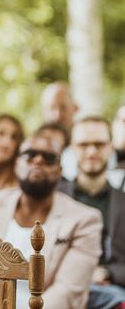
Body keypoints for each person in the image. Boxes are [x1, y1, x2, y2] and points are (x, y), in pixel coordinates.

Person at [0, 133, 102, 308]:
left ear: (60, 170)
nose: (38, 161)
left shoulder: (85, 220)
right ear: (17, 163)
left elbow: (67, 291)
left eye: (49, 158)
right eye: (30, 155)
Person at [59, 117, 125, 309]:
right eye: (83, 145)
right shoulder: (55, 197)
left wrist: (107, 272)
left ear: (111, 146)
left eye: (99, 144)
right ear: (72, 148)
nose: (91, 151)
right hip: (62, 290)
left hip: (113, 294)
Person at [41, 81, 79, 180]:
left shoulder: (85, 144)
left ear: (75, 109)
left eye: (63, 107)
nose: (57, 115)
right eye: (52, 107)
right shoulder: (33, 147)